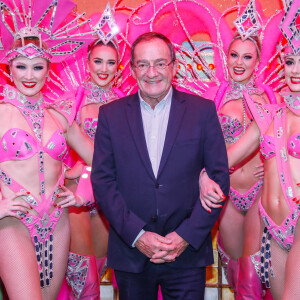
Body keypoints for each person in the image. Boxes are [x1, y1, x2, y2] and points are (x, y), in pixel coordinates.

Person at [91, 31, 229, 300]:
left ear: (174, 66)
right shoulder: (111, 115)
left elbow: (219, 178)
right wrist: (138, 235)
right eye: (142, 64)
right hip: (131, 252)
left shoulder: (202, 111)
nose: (151, 72)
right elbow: (103, 182)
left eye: (160, 63)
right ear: (131, 69)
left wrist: (185, 236)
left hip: (187, 254)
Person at [200, 0, 300, 298]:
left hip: (267, 200)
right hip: (241, 200)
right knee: (244, 279)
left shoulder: (266, 101)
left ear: (259, 62)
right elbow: (221, 152)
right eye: (291, 61)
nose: (240, 62)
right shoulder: (272, 112)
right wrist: (206, 173)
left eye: (247, 56)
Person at [0, 1, 94, 299]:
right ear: (9, 67)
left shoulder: (61, 117)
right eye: (21, 66)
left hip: (57, 221)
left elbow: (103, 161)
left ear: (48, 69)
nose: (29, 75)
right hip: (12, 221)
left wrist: (82, 193)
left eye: (37, 67)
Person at [63, 37, 125, 299]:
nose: (103, 68)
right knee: (85, 282)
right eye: (98, 61)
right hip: (76, 195)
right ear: (87, 63)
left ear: (119, 67)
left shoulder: (128, 105)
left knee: (100, 274)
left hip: (110, 195)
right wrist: (66, 172)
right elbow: (46, 147)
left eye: (111, 62)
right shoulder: (70, 103)